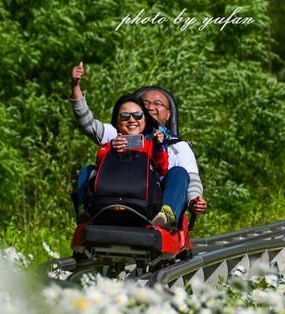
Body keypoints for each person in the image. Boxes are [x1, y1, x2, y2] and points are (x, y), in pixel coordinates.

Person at [69, 61, 207, 226]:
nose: (150, 107)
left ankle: (166, 216)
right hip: (113, 191)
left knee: (179, 172)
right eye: (146, 104)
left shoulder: (177, 146)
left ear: (169, 114)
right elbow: (87, 123)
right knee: (88, 170)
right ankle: (86, 212)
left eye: (158, 104)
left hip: (152, 199)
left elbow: (190, 179)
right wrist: (75, 86)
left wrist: (194, 200)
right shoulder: (117, 133)